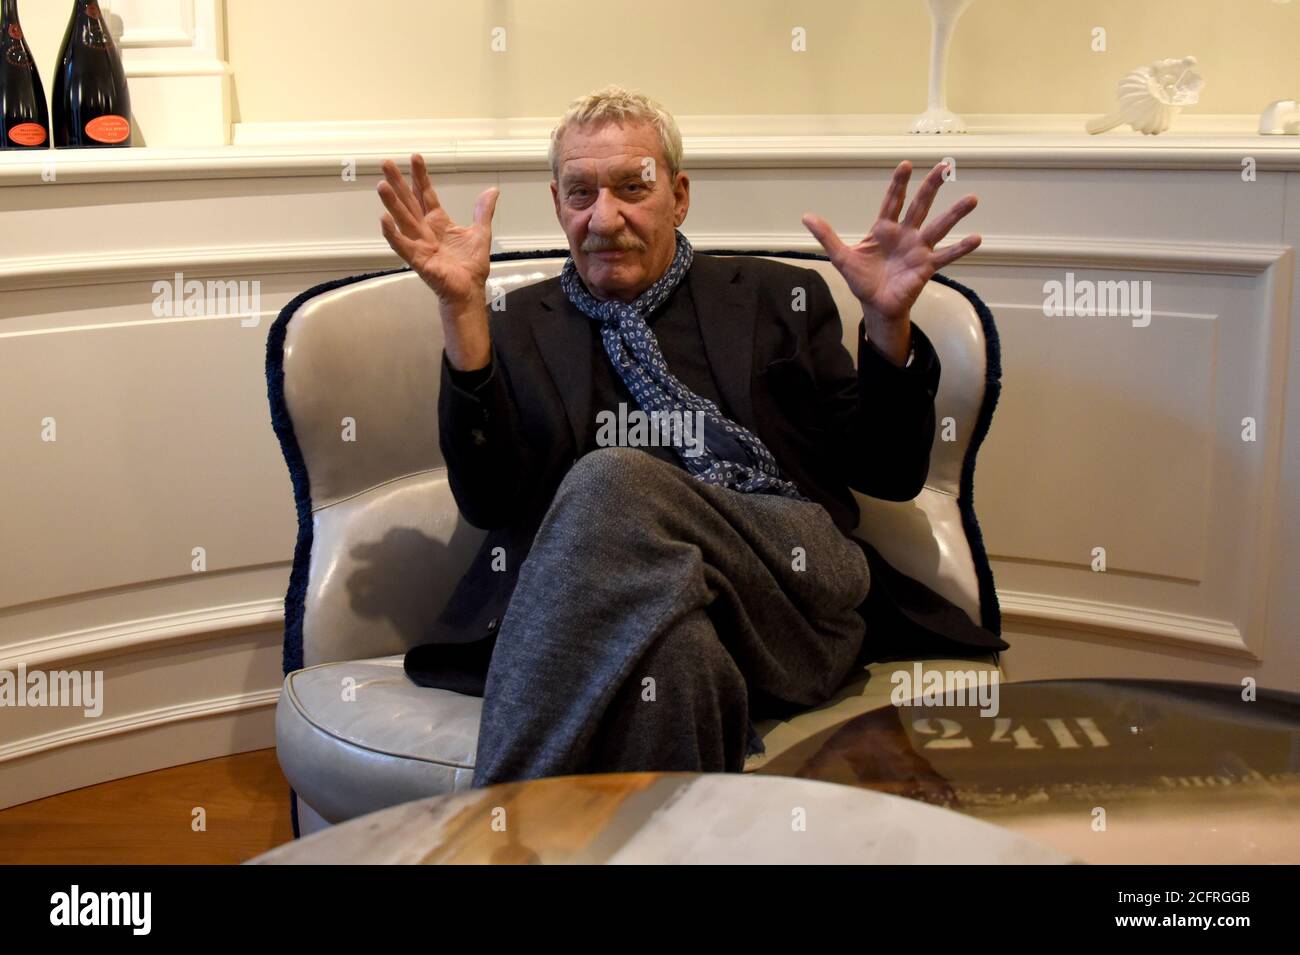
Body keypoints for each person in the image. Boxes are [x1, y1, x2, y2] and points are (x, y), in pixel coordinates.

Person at [376, 85, 1003, 788]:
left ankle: (492, 829)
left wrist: (888, 330)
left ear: (678, 194)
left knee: (612, 477)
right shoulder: (517, 324)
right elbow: (490, 502)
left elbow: (887, 472)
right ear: (557, 205)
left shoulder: (774, 297)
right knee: (675, 656)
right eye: (579, 193)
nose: (603, 217)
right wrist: (462, 313)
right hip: (645, 615)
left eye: (630, 188)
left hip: (795, 589)